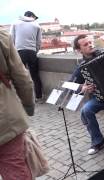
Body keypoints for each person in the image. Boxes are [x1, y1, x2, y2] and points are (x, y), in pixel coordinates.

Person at [0, 30, 35, 179]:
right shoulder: (1, 37)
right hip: (5, 119)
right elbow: (22, 78)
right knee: (15, 171)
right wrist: (28, 106)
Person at [10, 11, 43, 102]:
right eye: (34, 17)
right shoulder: (36, 25)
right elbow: (39, 42)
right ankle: (39, 97)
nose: (35, 19)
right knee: (35, 76)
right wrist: (35, 50)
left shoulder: (15, 23)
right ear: (31, 16)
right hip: (32, 52)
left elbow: (11, 39)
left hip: (19, 52)